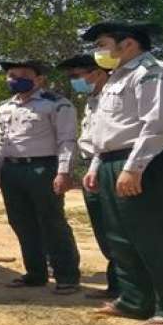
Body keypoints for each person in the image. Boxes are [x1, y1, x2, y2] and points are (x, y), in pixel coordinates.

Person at [81, 21, 163, 325]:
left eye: (102, 44)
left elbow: (158, 125)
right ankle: (134, 300)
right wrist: (96, 166)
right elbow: (105, 130)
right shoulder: (118, 77)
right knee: (120, 237)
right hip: (112, 161)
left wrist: (134, 167)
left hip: (145, 161)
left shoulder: (155, 73)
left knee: (157, 236)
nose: (97, 51)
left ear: (128, 44)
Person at [0, 59, 81, 294]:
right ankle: (35, 273)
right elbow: (2, 141)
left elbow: (67, 140)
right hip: (12, 170)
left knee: (52, 222)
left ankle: (67, 276)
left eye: (24, 75)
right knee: (21, 222)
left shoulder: (56, 104)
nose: (17, 79)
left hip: (43, 169)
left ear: (39, 79)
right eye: (12, 75)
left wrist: (64, 172)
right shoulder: (5, 107)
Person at [57, 54, 117, 299]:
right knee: (105, 231)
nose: (74, 81)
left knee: (120, 229)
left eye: (76, 76)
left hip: (112, 164)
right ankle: (118, 286)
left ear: (98, 73)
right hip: (92, 167)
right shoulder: (92, 100)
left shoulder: (118, 97)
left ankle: (135, 289)